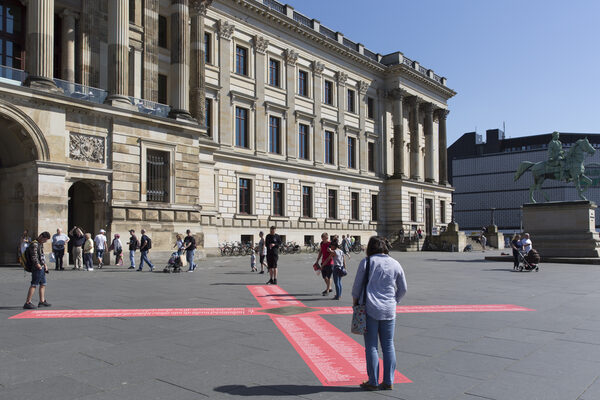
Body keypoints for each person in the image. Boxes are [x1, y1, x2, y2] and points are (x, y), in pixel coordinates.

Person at [352, 236, 407, 391]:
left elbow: (357, 286)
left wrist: (355, 302)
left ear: (370, 248)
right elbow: (403, 288)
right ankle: (389, 380)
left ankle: (373, 381)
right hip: (389, 309)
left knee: (371, 346)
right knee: (388, 345)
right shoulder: (395, 263)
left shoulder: (367, 262)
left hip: (370, 307)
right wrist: (395, 300)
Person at [23, 231, 52, 309]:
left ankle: (42, 301)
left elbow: (41, 255)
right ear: (41, 237)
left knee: (43, 284)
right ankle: (28, 302)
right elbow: (34, 256)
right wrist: (38, 265)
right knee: (34, 284)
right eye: (45, 240)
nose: (45, 241)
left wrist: (45, 264)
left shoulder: (40, 244)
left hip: (41, 266)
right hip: (37, 267)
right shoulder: (34, 244)